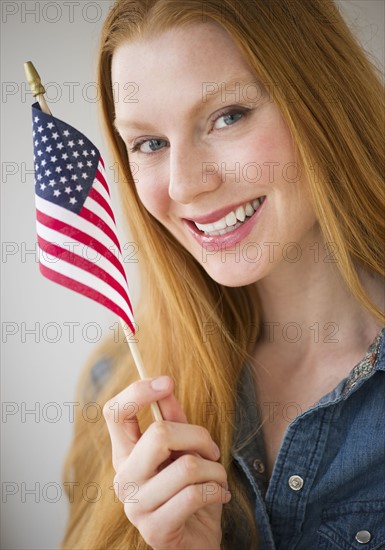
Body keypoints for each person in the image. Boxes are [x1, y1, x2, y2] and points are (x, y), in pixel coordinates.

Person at [61, 0, 385, 548]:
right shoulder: (118, 386)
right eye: (150, 144)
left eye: (227, 116)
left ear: (324, 103)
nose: (185, 185)